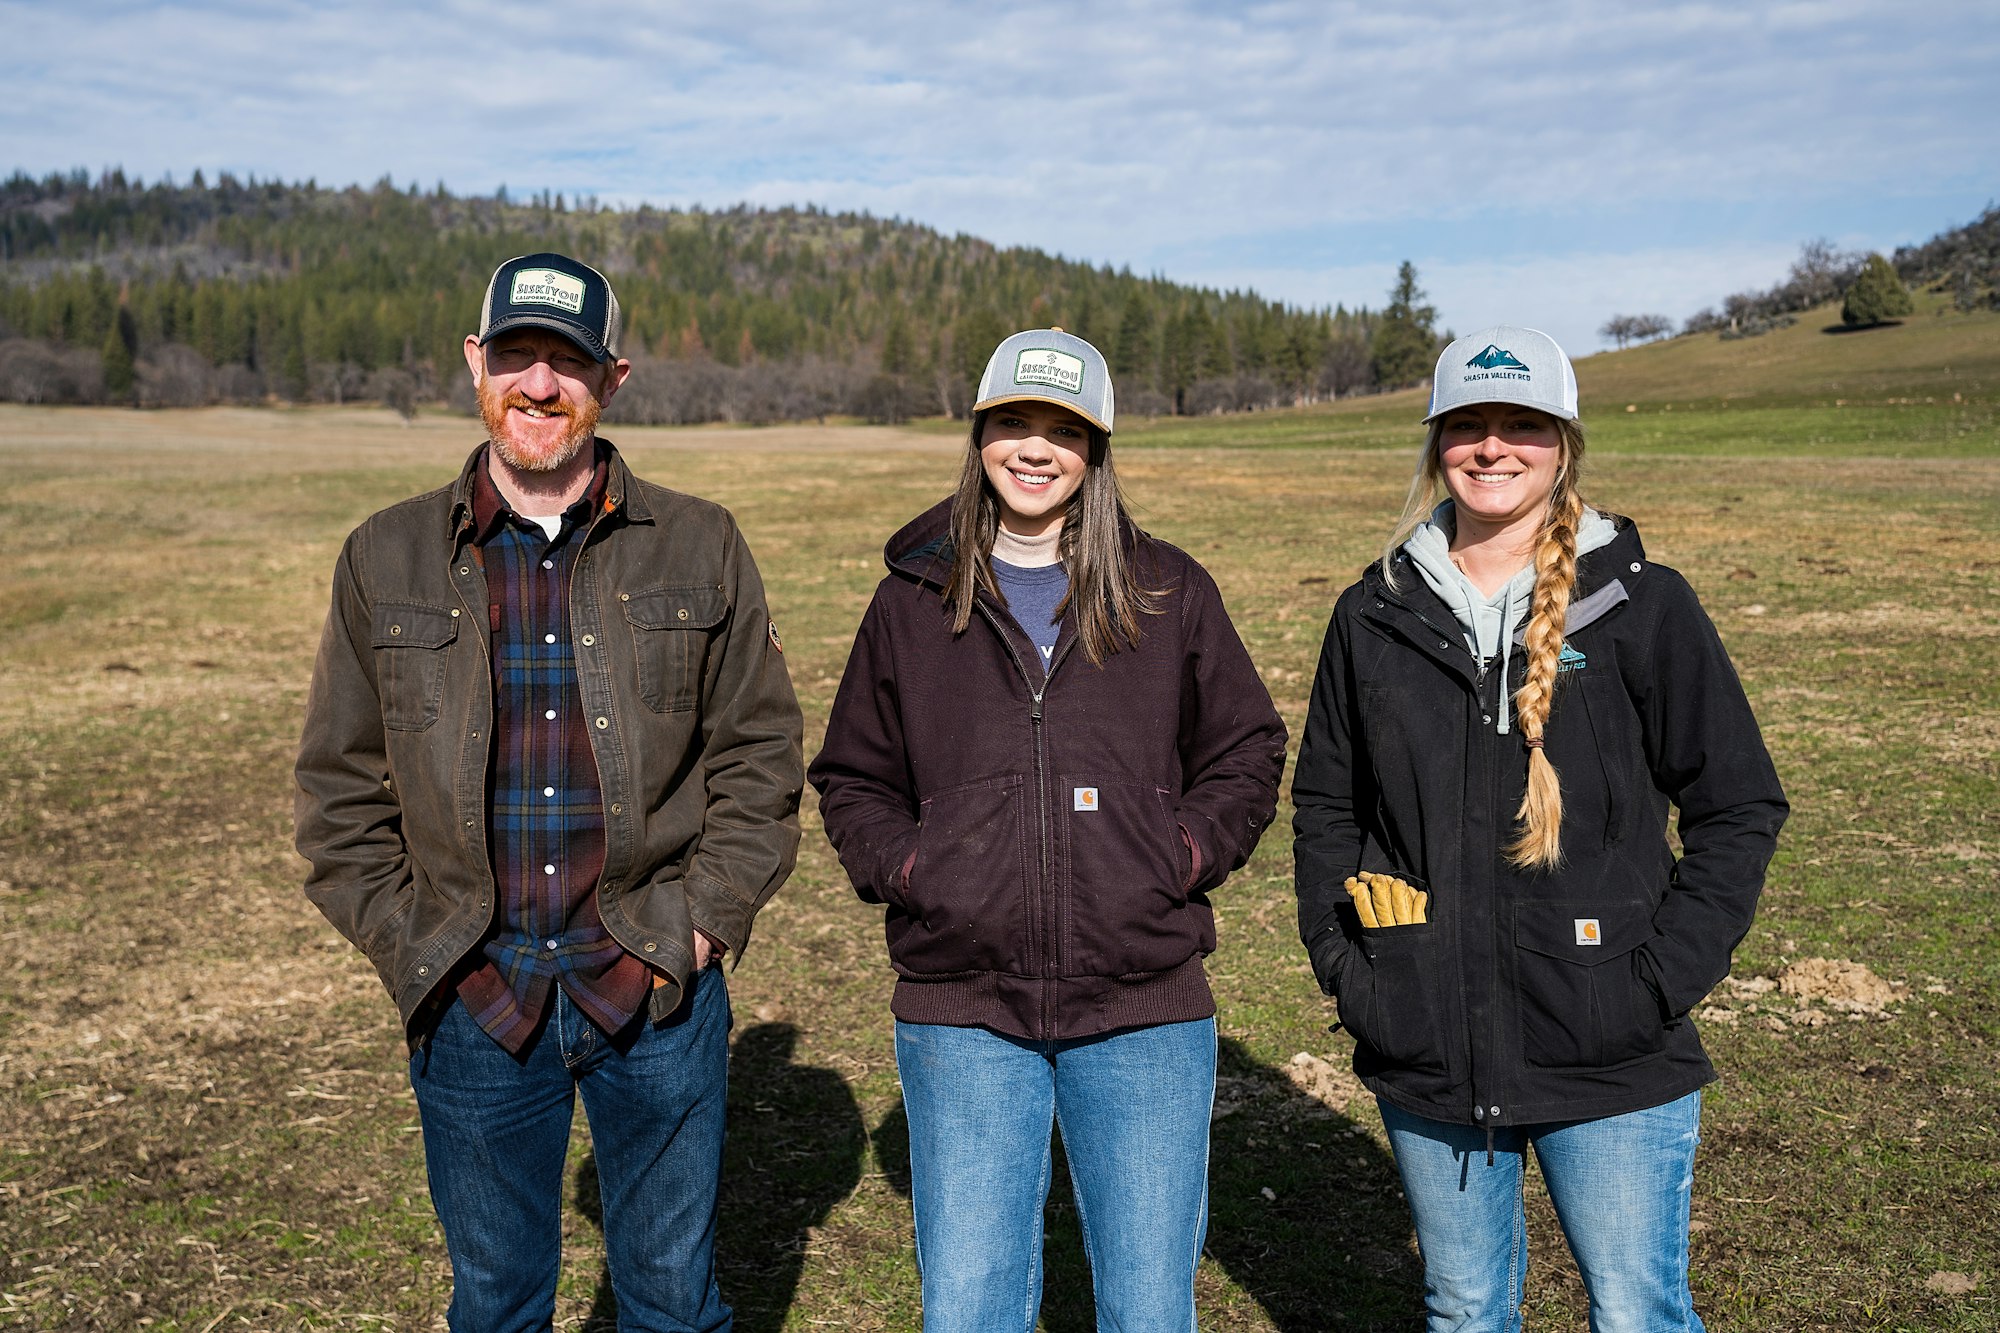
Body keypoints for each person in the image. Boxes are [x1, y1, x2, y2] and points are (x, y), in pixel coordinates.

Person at [295, 251, 804, 1331]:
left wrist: (702, 926)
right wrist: (416, 947)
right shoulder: (384, 555)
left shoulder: (700, 541)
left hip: (656, 990)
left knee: (671, 1299)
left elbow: (759, 757)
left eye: (565, 361)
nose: (538, 384)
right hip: (474, 998)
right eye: (516, 355)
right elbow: (338, 796)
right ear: (475, 363)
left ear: (611, 379)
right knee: (496, 1302)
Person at [1292, 325, 1787, 1333]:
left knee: (1634, 1311)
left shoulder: (1641, 606)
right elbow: (1325, 807)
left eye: (1521, 424)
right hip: (1424, 1030)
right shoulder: (1373, 611)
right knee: (1463, 1308)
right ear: (1435, 444)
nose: (1491, 447)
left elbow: (1736, 803)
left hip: (1607, 1041)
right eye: (1466, 425)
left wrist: (1655, 979)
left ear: (1563, 443)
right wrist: (1361, 974)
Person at [808, 328, 1287, 1331]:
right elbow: (852, 774)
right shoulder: (909, 600)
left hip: (1145, 1005)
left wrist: (1180, 852)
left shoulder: (1167, 589)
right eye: (1012, 424)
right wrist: (916, 866)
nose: (1034, 450)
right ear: (979, 436)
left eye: (1062, 430)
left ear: (1096, 450)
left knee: (1148, 1309)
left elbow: (1245, 751)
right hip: (961, 1007)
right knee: (969, 1309)